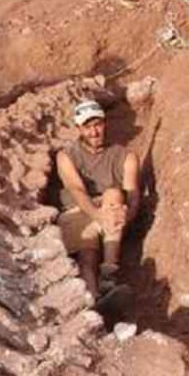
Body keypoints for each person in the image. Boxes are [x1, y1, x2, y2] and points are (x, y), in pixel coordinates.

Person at [54, 100, 140, 306]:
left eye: (97, 125)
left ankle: (109, 273)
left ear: (104, 123)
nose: (94, 132)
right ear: (79, 129)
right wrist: (98, 216)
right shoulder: (66, 156)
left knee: (113, 194)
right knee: (87, 255)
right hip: (78, 210)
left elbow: (133, 194)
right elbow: (77, 190)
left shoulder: (126, 156)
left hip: (112, 211)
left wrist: (124, 218)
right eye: (87, 127)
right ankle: (95, 299)